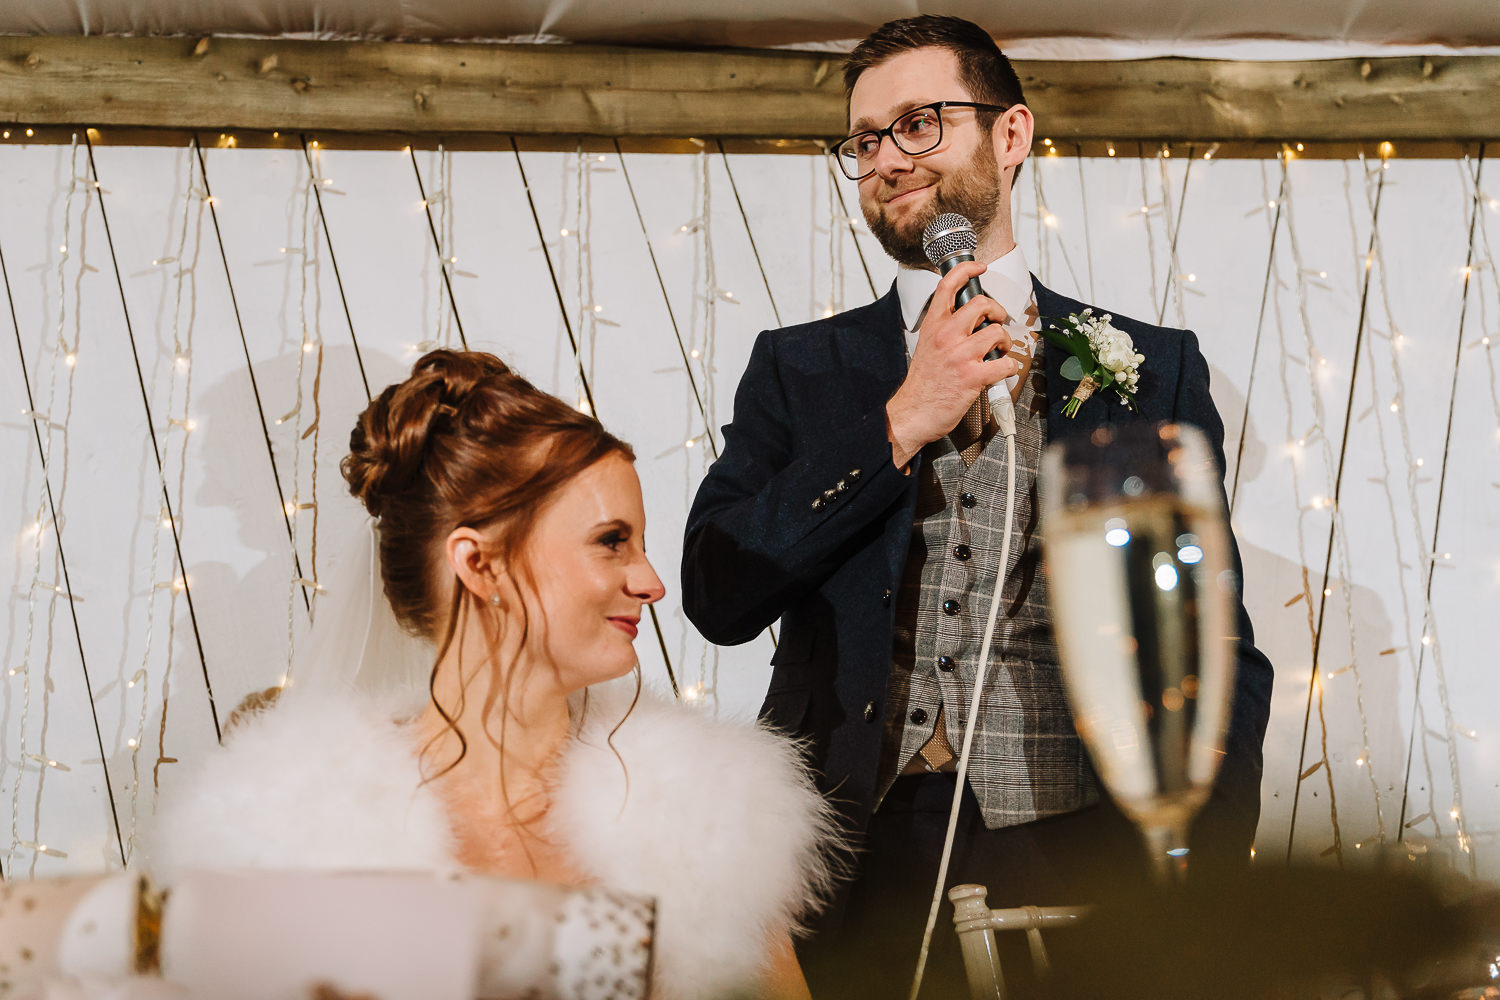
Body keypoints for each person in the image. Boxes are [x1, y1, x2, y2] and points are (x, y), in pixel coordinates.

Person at [680, 14, 1275, 995]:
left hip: (1083, 847)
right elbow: (718, 590)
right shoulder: (801, 368)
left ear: (1010, 136)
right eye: (865, 140)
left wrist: (1198, 869)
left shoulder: (1147, 366)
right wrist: (900, 422)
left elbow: (1213, 638)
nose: (886, 158)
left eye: (920, 123)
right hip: (853, 860)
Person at [149, 350, 836, 1000]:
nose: (652, 583)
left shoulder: (704, 814)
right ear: (479, 565)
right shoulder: (289, 828)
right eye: (611, 541)